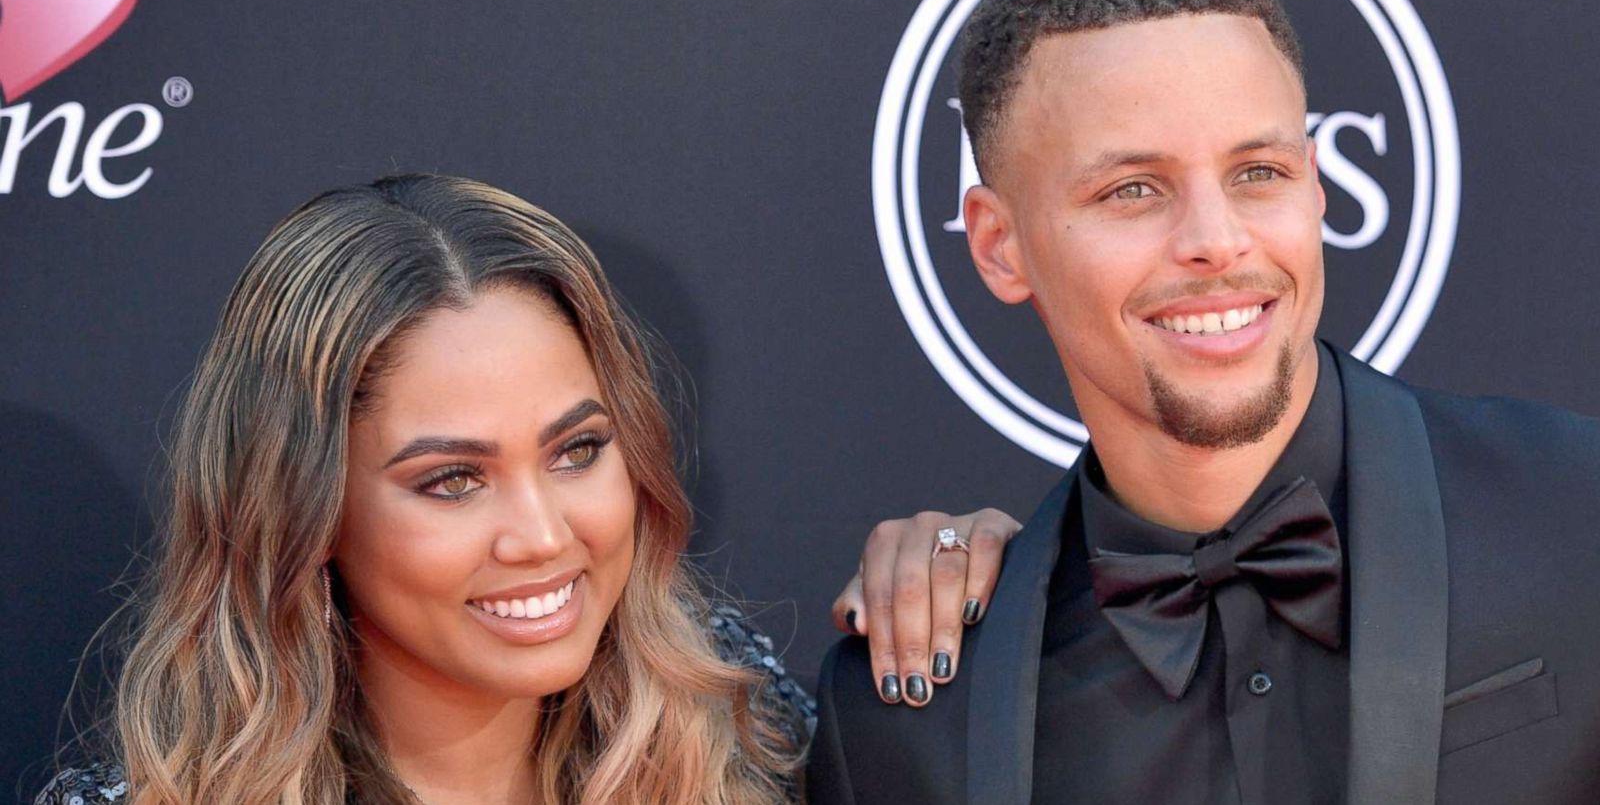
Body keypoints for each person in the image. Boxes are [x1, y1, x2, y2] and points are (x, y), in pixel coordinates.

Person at [809, 0, 1600, 805]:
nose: (1216, 243)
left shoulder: (1582, 514)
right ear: (999, 246)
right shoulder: (909, 715)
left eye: (1258, 172)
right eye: (1132, 190)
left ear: (1316, 189)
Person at [35, 174, 1002, 805]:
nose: (541, 535)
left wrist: (1010, 569)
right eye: (453, 479)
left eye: (577, 451)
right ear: (303, 509)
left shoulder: (741, 738)